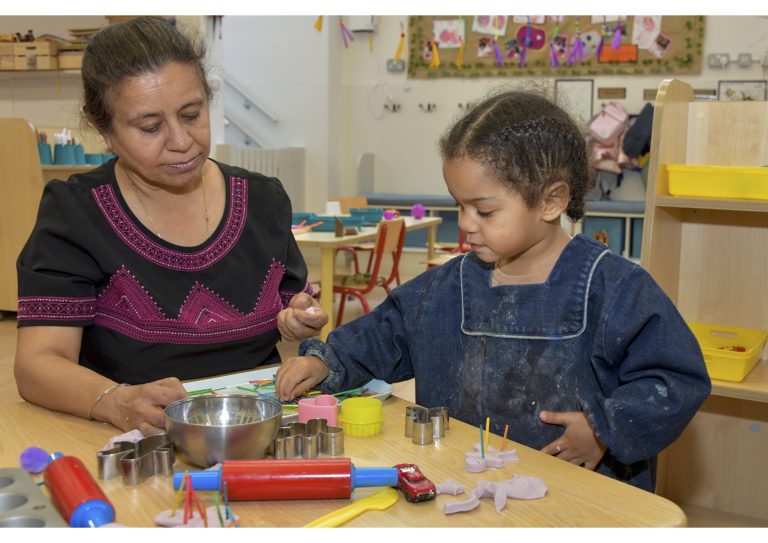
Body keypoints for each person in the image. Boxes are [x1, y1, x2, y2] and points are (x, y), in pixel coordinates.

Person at [276, 89, 711, 492]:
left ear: (551, 200)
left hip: (580, 499)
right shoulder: (443, 288)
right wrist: (324, 362)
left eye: (483, 210)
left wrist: (604, 428)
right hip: (465, 490)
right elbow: (382, 336)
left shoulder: (615, 289)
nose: (465, 224)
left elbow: (676, 379)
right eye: (458, 205)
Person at [14, 17, 327, 436]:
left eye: (192, 114)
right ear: (104, 130)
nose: (181, 140)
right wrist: (116, 402)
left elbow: (292, 322)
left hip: (256, 429)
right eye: (150, 127)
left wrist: (300, 322)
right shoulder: (76, 213)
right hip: (135, 438)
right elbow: (37, 364)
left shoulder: (263, 200)